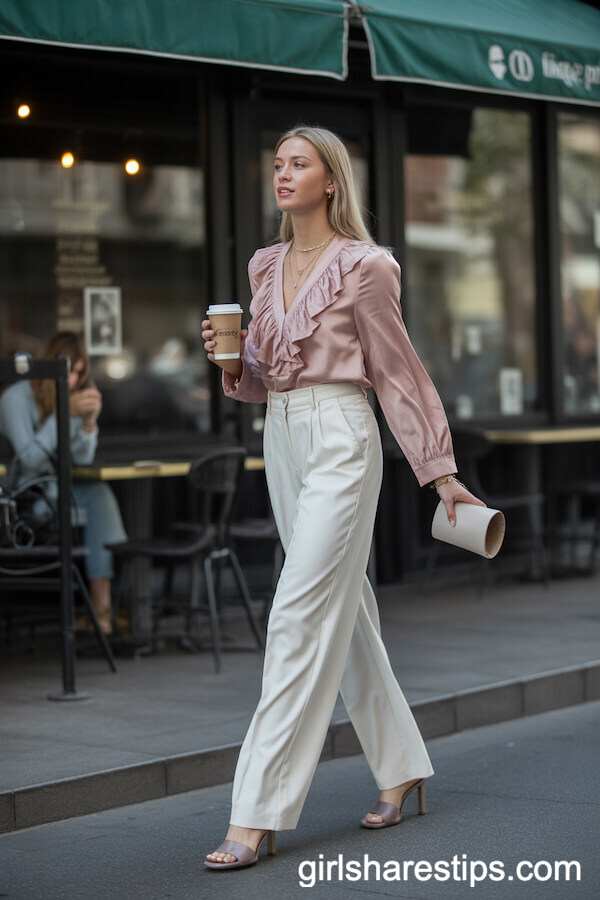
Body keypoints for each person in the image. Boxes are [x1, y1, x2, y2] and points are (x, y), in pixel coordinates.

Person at [202, 126, 485, 870]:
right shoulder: (266, 265)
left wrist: (439, 470)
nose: (283, 174)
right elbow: (269, 373)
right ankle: (402, 767)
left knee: (295, 611)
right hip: (282, 433)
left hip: (341, 439)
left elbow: (397, 372)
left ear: (331, 181)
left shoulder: (366, 266)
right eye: (276, 164)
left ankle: (256, 811)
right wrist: (232, 364)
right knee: (345, 611)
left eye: (299, 164)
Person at [0, 331, 127, 633]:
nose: (71, 380)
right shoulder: (14, 398)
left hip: (55, 490)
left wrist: (87, 422)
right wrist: (61, 416)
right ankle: (99, 611)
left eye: (79, 374)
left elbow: (82, 457)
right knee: (96, 497)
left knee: (99, 496)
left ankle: (101, 609)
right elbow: (30, 459)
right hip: (23, 499)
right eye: (69, 372)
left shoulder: (68, 396)